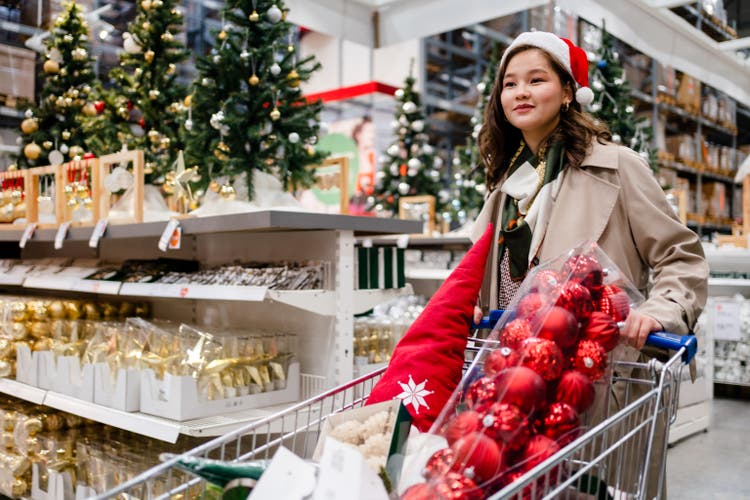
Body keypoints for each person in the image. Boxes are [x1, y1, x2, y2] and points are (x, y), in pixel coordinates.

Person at [468, 31, 708, 498]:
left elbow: (680, 256)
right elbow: (488, 280)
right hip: (517, 385)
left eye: (536, 79)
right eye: (509, 84)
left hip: (598, 378)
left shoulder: (617, 168)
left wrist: (660, 312)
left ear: (566, 92)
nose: (520, 92)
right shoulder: (506, 188)